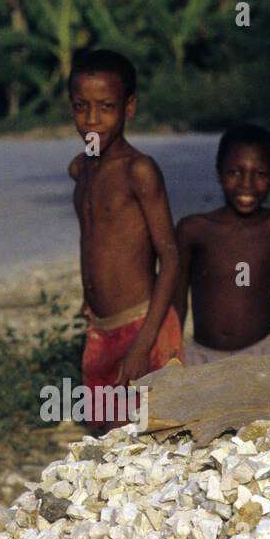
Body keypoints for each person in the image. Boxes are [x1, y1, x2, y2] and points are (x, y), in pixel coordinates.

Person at [68, 49, 182, 431]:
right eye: (81, 106)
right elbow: (97, 239)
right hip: (101, 328)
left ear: (129, 107)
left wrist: (143, 345)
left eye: (106, 106)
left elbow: (170, 257)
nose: (92, 120)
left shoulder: (139, 170)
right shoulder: (81, 168)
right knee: (105, 434)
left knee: (156, 438)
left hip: (143, 326)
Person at [175, 124, 270, 365]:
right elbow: (177, 295)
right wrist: (173, 343)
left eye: (260, 174)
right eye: (234, 172)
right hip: (200, 356)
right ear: (219, 172)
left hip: (260, 353)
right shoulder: (195, 229)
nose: (247, 184)